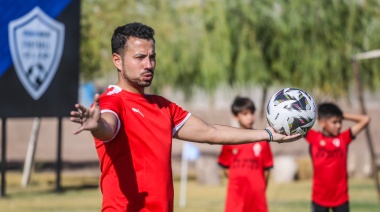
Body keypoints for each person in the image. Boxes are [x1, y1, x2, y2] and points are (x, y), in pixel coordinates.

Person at [69, 22, 300, 212]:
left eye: (152, 57)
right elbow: (108, 125)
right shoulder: (112, 101)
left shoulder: (163, 107)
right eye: (139, 57)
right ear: (117, 60)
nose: (149, 65)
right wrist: (96, 124)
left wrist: (268, 134)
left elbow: (211, 132)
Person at [304, 102, 370, 212]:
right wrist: (316, 114)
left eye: (340, 122)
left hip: (341, 199)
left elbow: (365, 119)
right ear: (321, 122)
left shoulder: (344, 138)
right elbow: (298, 123)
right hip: (319, 198)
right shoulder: (313, 137)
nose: (339, 125)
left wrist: (341, 115)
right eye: (334, 122)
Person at [218, 96, 273, 212]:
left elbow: (267, 170)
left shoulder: (262, 139)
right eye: (245, 113)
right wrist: (239, 181)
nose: (250, 117)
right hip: (236, 196)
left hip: (257, 196)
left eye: (252, 113)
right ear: (235, 116)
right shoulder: (229, 140)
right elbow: (225, 168)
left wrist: (258, 186)